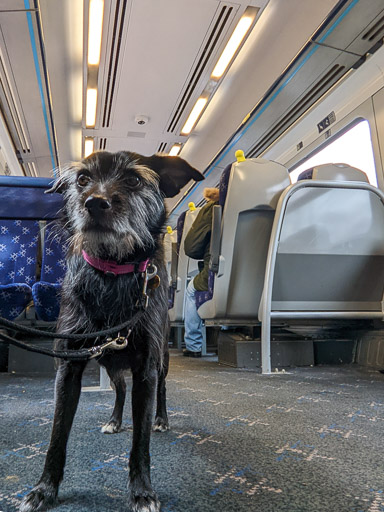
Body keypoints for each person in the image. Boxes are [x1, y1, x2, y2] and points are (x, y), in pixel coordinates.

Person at [183, 187, 220, 357]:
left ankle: (194, 345)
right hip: (262, 278)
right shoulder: (280, 201)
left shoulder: (213, 207)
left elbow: (191, 247)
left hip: (218, 272)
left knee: (190, 289)